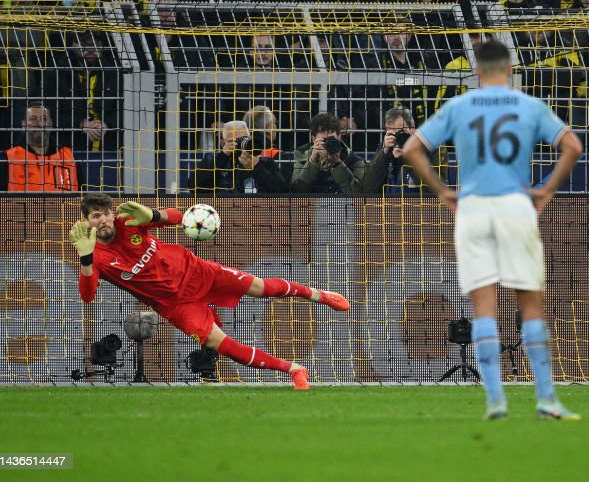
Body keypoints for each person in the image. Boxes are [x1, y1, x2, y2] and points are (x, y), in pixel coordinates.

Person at [402, 39, 584, 420]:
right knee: (530, 307)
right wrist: (547, 189)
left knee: (484, 307)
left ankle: (495, 399)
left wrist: (442, 191)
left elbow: (411, 149)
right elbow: (572, 146)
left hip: (472, 209)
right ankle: (547, 398)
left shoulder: (459, 106)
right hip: (515, 206)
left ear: (478, 72)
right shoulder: (528, 105)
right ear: (511, 70)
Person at [70, 194, 350, 390]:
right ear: (86, 222)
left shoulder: (126, 221)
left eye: (106, 213)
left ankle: (318, 294)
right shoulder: (93, 255)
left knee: (260, 287)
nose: (105, 220)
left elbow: (184, 218)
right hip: (176, 305)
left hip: (197, 271)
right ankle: (294, 370)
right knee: (222, 344)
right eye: (96, 216)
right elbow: (87, 296)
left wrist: (154, 214)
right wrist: (85, 258)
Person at [191, 120, 288, 194]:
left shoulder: (265, 162)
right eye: (234, 141)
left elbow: (282, 192)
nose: (241, 144)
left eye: (244, 139)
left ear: (250, 139)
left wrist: (257, 168)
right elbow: (194, 187)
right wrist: (222, 156)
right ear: (223, 143)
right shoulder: (211, 160)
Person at [0, 102, 78, 192]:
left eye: (44, 119)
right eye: (33, 119)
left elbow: (84, 200)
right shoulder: (9, 158)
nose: (39, 123)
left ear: (51, 124)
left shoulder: (69, 157)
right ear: (23, 124)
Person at [291, 113, 367, 193]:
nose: (328, 144)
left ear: (339, 137)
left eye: (331, 139)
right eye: (324, 140)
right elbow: (296, 192)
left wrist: (337, 163)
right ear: (314, 140)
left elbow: (358, 196)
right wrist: (312, 161)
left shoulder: (355, 162)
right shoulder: (303, 159)